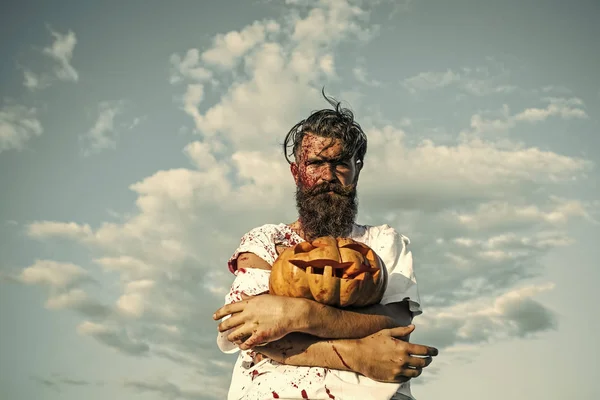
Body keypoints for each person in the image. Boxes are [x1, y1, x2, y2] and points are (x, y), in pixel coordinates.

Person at [213, 92, 438, 400]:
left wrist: (298, 315)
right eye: (315, 163)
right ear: (296, 172)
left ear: (356, 170)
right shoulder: (264, 242)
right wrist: (357, 354)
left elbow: (397, 320)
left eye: (340, 164)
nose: (328, 176)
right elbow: (248, 332)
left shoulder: (384, 242)